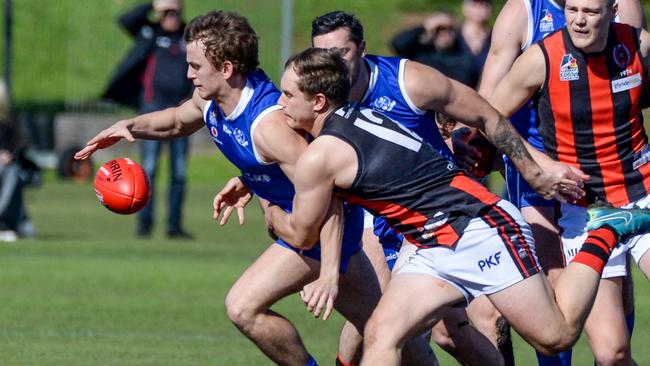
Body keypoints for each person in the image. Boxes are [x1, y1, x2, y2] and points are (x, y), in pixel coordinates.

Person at [75, 11, 437, 366]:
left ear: (227, 68)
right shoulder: (211, 101)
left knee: (243, 306)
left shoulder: (269, 126)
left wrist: (328, 272)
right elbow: (175, 121)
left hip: (317, 230)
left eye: (196, 66)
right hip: (311, 227)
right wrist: (128, 126)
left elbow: (329, 195)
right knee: (384, 328)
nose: (189, 74)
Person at [263, 46, 650, 366]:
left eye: (287, 95)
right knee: (382, 334)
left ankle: (604, 231)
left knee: (556, 336)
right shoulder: (360, 117)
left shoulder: (322, 155)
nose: (280, 106)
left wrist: (270, 209)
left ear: (317, 102)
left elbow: (302, 232)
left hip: (480, 228)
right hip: (431, 244)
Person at [311, 11, 505, 366]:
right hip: (373, 218)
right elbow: (283, 142)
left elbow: (473, 111)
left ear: (363, 50)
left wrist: (455, 137)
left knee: (450, 331)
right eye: (323, 54)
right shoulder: (316, 95)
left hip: (434, 211)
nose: (332, 64)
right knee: (379, 317)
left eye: (341, 53)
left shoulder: (404, 80)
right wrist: (246, 178)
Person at [473, 0, 647, 364]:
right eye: (572, 10)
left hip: (642, 193)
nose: (580, 21)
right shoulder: (542, 57)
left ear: (612, 10)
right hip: (588, 209)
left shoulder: (638, 43)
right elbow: (490, 116)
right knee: (611, 352)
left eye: (591, 12)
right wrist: (538, 163)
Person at [103, 0, 194, 239]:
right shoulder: (150, 32)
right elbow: (125, 21)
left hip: (182, 113)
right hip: (153, 109)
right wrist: (154, 5)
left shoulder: (189, 36)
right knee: (150, 169)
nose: (172, 17)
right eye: (168, 12)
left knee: (179, 173)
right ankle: (145, 224)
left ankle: (174, 226)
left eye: (176, 12)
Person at [391, 10, 481, 88]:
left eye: (448, 29)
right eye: (438, 29)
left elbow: (467, 81)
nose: (443, 33)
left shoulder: (464, 58)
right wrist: (424, 26)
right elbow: (397, 45)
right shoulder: (421, 52)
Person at [0, 80, 37, 242]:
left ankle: (8, 221)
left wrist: (10, 156)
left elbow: (19, 146)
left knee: (13, 172)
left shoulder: (9, 124)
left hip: (9, 166)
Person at [459, 0, 493, 72]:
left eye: (484, 3)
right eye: (475, 2)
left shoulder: (496, 37)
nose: (480, 7)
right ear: (464, 7)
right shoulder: (451, 37)